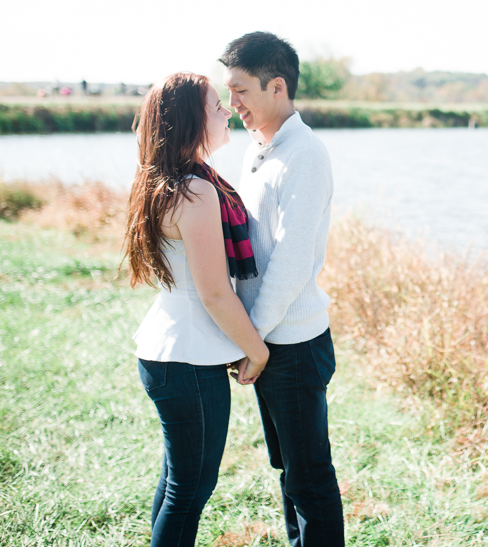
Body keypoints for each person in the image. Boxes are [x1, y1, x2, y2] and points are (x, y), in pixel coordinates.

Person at [123, 72, 270, 547]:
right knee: (189, 489)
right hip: (187, 359)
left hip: (168, 351)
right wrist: (257, 349)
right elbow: (214, 293)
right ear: (189, 120)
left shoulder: (165, 181)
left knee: (176, 483)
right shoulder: (196, 190)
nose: (226, 110)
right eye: (214, 106)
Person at [219, 32, 342, 546]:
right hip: (268, 341)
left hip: (289, 344)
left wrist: (255, 339)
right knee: (289, 472)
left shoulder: (304, 154)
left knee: (309, 476)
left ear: (276, 87)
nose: (233, 105)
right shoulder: (260, 150)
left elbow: (291, 263)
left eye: (241, 91)